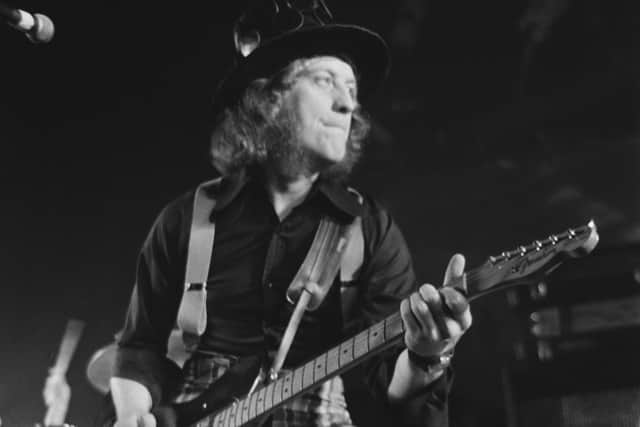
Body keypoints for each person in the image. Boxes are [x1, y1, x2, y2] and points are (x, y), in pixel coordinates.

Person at [109, 1, 472, 426]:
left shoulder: (372, 231)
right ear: (267, 99)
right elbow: (139, 346)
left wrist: (427, 356)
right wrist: (133, 413)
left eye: (352, 91)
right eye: (325, 81)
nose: (347, 105)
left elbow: (391, 387)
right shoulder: (184, 220)